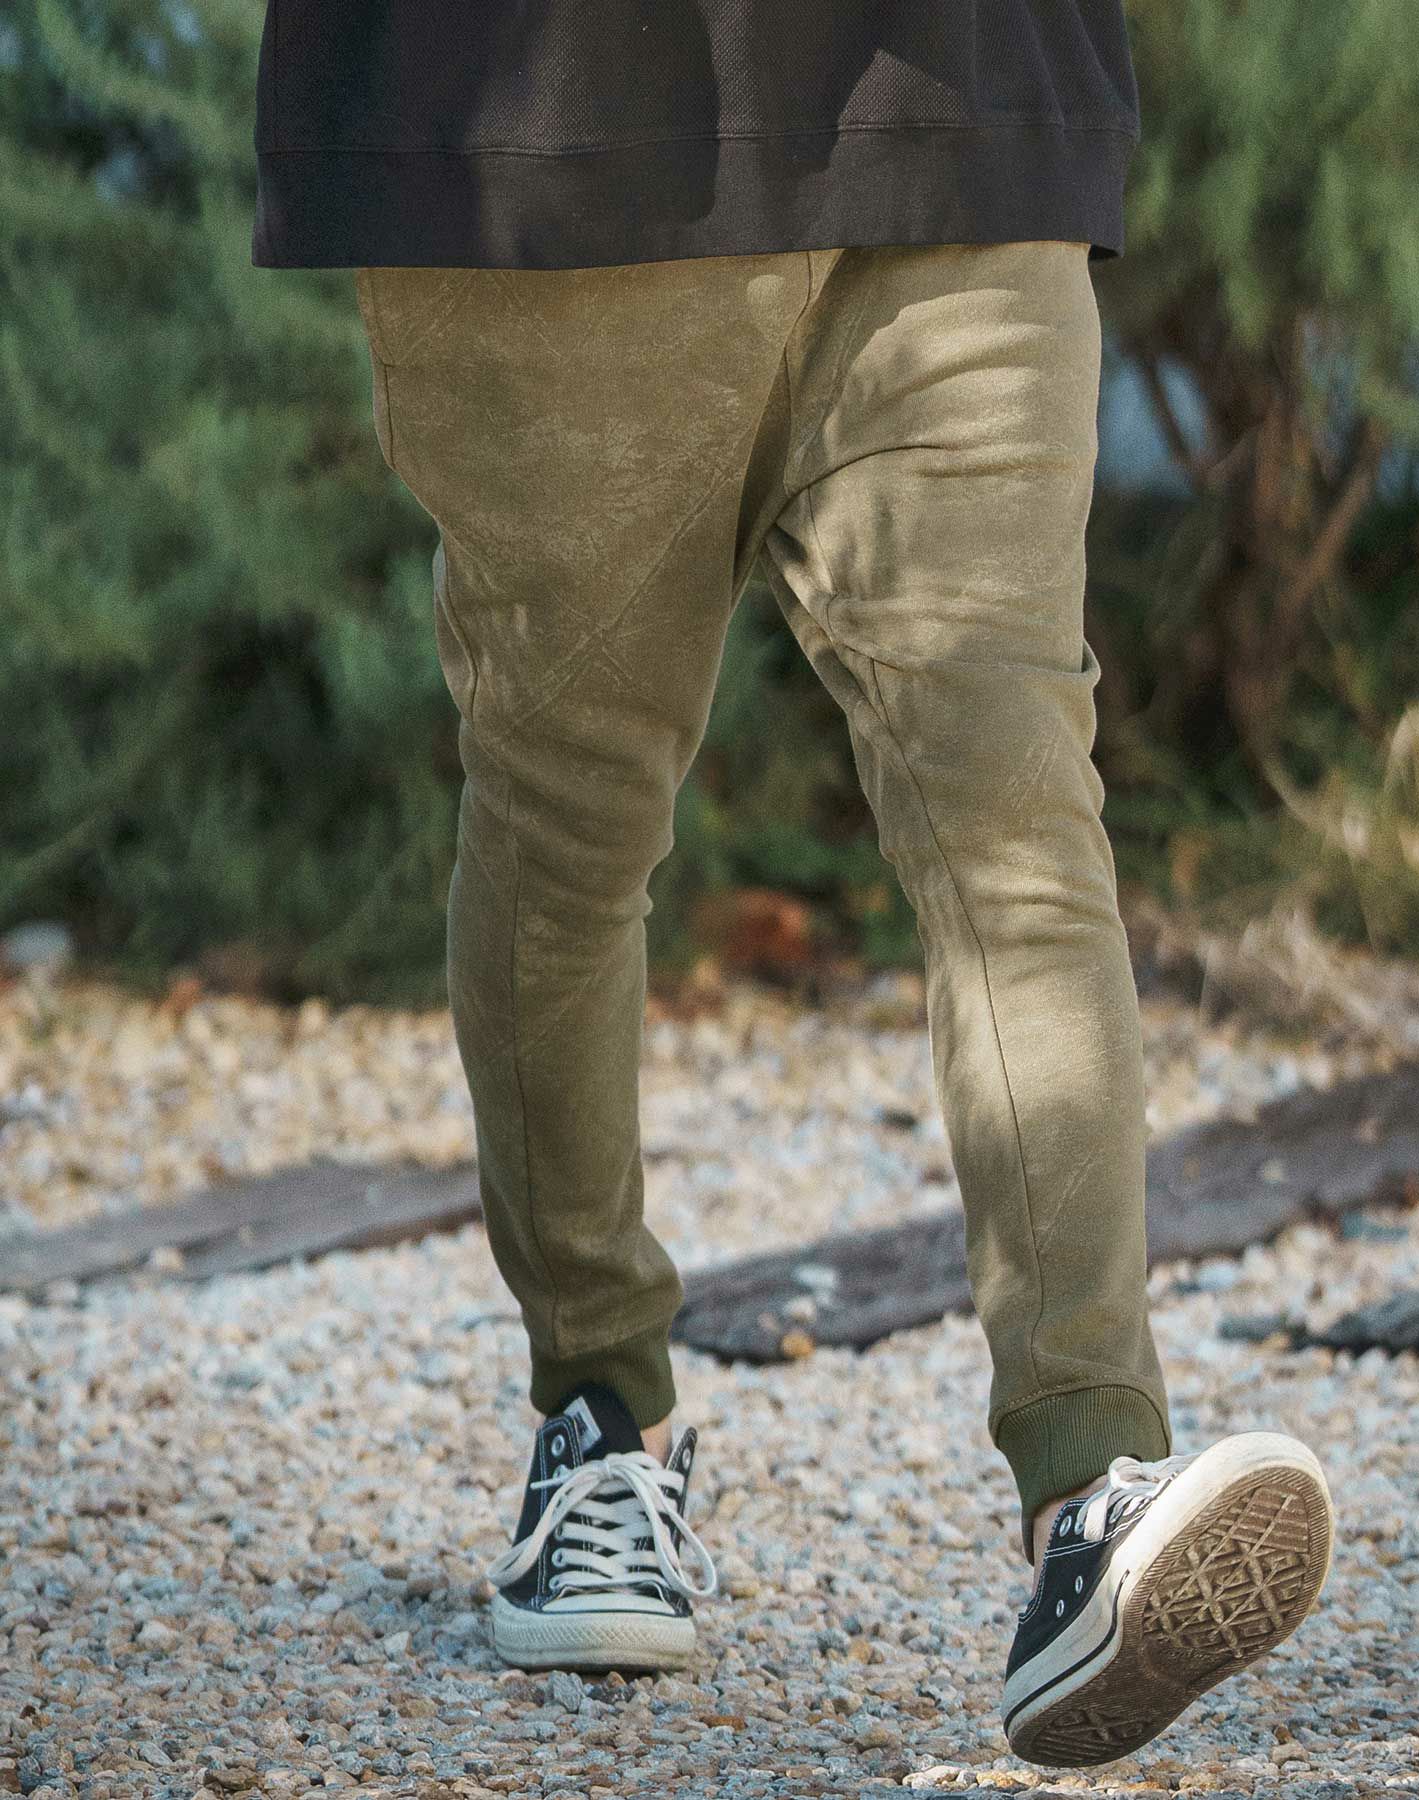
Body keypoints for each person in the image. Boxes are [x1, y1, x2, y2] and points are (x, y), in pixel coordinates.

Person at [251, 1, 1335, 1767]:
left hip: (966, 104)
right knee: (570, 815)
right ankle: (598, 1426)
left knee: (1016, 815)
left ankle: (1094, 1488)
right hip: (558, 127)